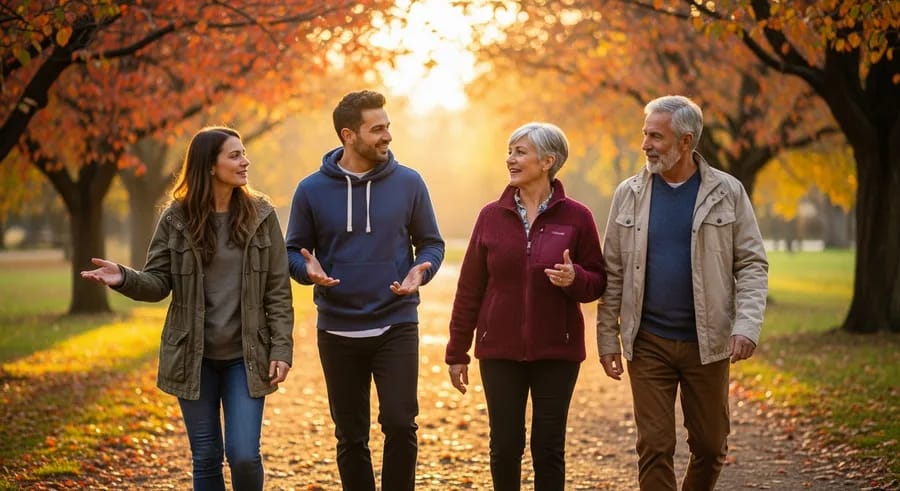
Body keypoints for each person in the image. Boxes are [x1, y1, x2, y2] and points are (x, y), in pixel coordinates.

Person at [81, 126, 294, 491]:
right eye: (235, 155)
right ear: (209, 165)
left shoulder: (261, 215)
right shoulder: (176, 218)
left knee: (244, 455)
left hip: (247, 356)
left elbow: (277, 289)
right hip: (192, 358)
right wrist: (125, 278)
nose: (245, 161)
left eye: (243, 153)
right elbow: (158, 282)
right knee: (206, 457)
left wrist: (282, 349)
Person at [596, 95, 768, 490]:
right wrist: (608, 338)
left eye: (656, 136)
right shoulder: (629, 193)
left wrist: (746, 325)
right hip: (648, 341)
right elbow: (613, 271)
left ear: (686, 141)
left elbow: (752, 264)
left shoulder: (728, 191)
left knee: (710, 445)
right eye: (645, 134)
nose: (645, 145)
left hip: (707, 342)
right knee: (654, 446)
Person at [285, 89, 444, 491]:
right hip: (337, 328)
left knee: (400, 423)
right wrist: (308, 271)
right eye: (377, 129)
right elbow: (292, 252)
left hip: (396, 322)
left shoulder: (409, 183)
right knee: (351, 436)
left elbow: (431, 243)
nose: (387, 136)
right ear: (348, 135)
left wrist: (420, 271)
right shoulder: (310, 190)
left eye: (387, 127)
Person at [445, 122, 607, 491]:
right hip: (498, 350)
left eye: (520, 152)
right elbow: (469, 288)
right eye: (510, 151)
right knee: (504, 446)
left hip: (558, 351)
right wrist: (457, 351)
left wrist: (575, 278)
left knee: (548, 448)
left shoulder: (577, 217)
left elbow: (598, 281)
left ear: (548, 161)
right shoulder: (490, 216)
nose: (510, 160)